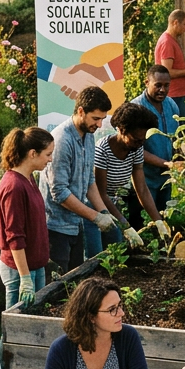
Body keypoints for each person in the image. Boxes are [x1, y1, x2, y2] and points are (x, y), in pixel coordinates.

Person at [41, 86, 117, 273]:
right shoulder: (62, 140)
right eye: (96, 118)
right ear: (81, 111)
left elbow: (89, 180)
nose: (100, 125)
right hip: (56, 227)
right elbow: (59, 192)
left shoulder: (88, 136)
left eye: (102, 119)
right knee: (59, 288)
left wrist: (103, 212)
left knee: (75, 279)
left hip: (76, 224)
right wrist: (95, 217)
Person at [94, 102, 169, 246]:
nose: (140, 144)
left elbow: (141, 189)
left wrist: (158, 220)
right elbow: (101, 194)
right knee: (108, 249)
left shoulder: (135, 149)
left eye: (143, 140)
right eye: (136, 139)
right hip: (97, 207)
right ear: (121, 130)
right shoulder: (102, 150)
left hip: (116, 203)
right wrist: (125, 226)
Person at [0, 127, 54, 310]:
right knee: (15, 328)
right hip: (19, 270)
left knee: (34, 319)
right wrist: (25, 278)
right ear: (32, 154)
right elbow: (14, 236)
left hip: (34, 266)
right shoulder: (14, 187)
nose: (50, 159)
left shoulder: (28, 178)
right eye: (48, 154)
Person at [132, 65, 181, 213]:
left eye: (166, 85)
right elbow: (135, 150)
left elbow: (176, 140)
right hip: (144, 180)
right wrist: (167, 164)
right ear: (147, 83)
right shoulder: (136, 109)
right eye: (158, 85)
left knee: (164, 220)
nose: (163, 90)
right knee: (146, 223)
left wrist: (183, 159)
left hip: (166, 179)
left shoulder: (171, 105)